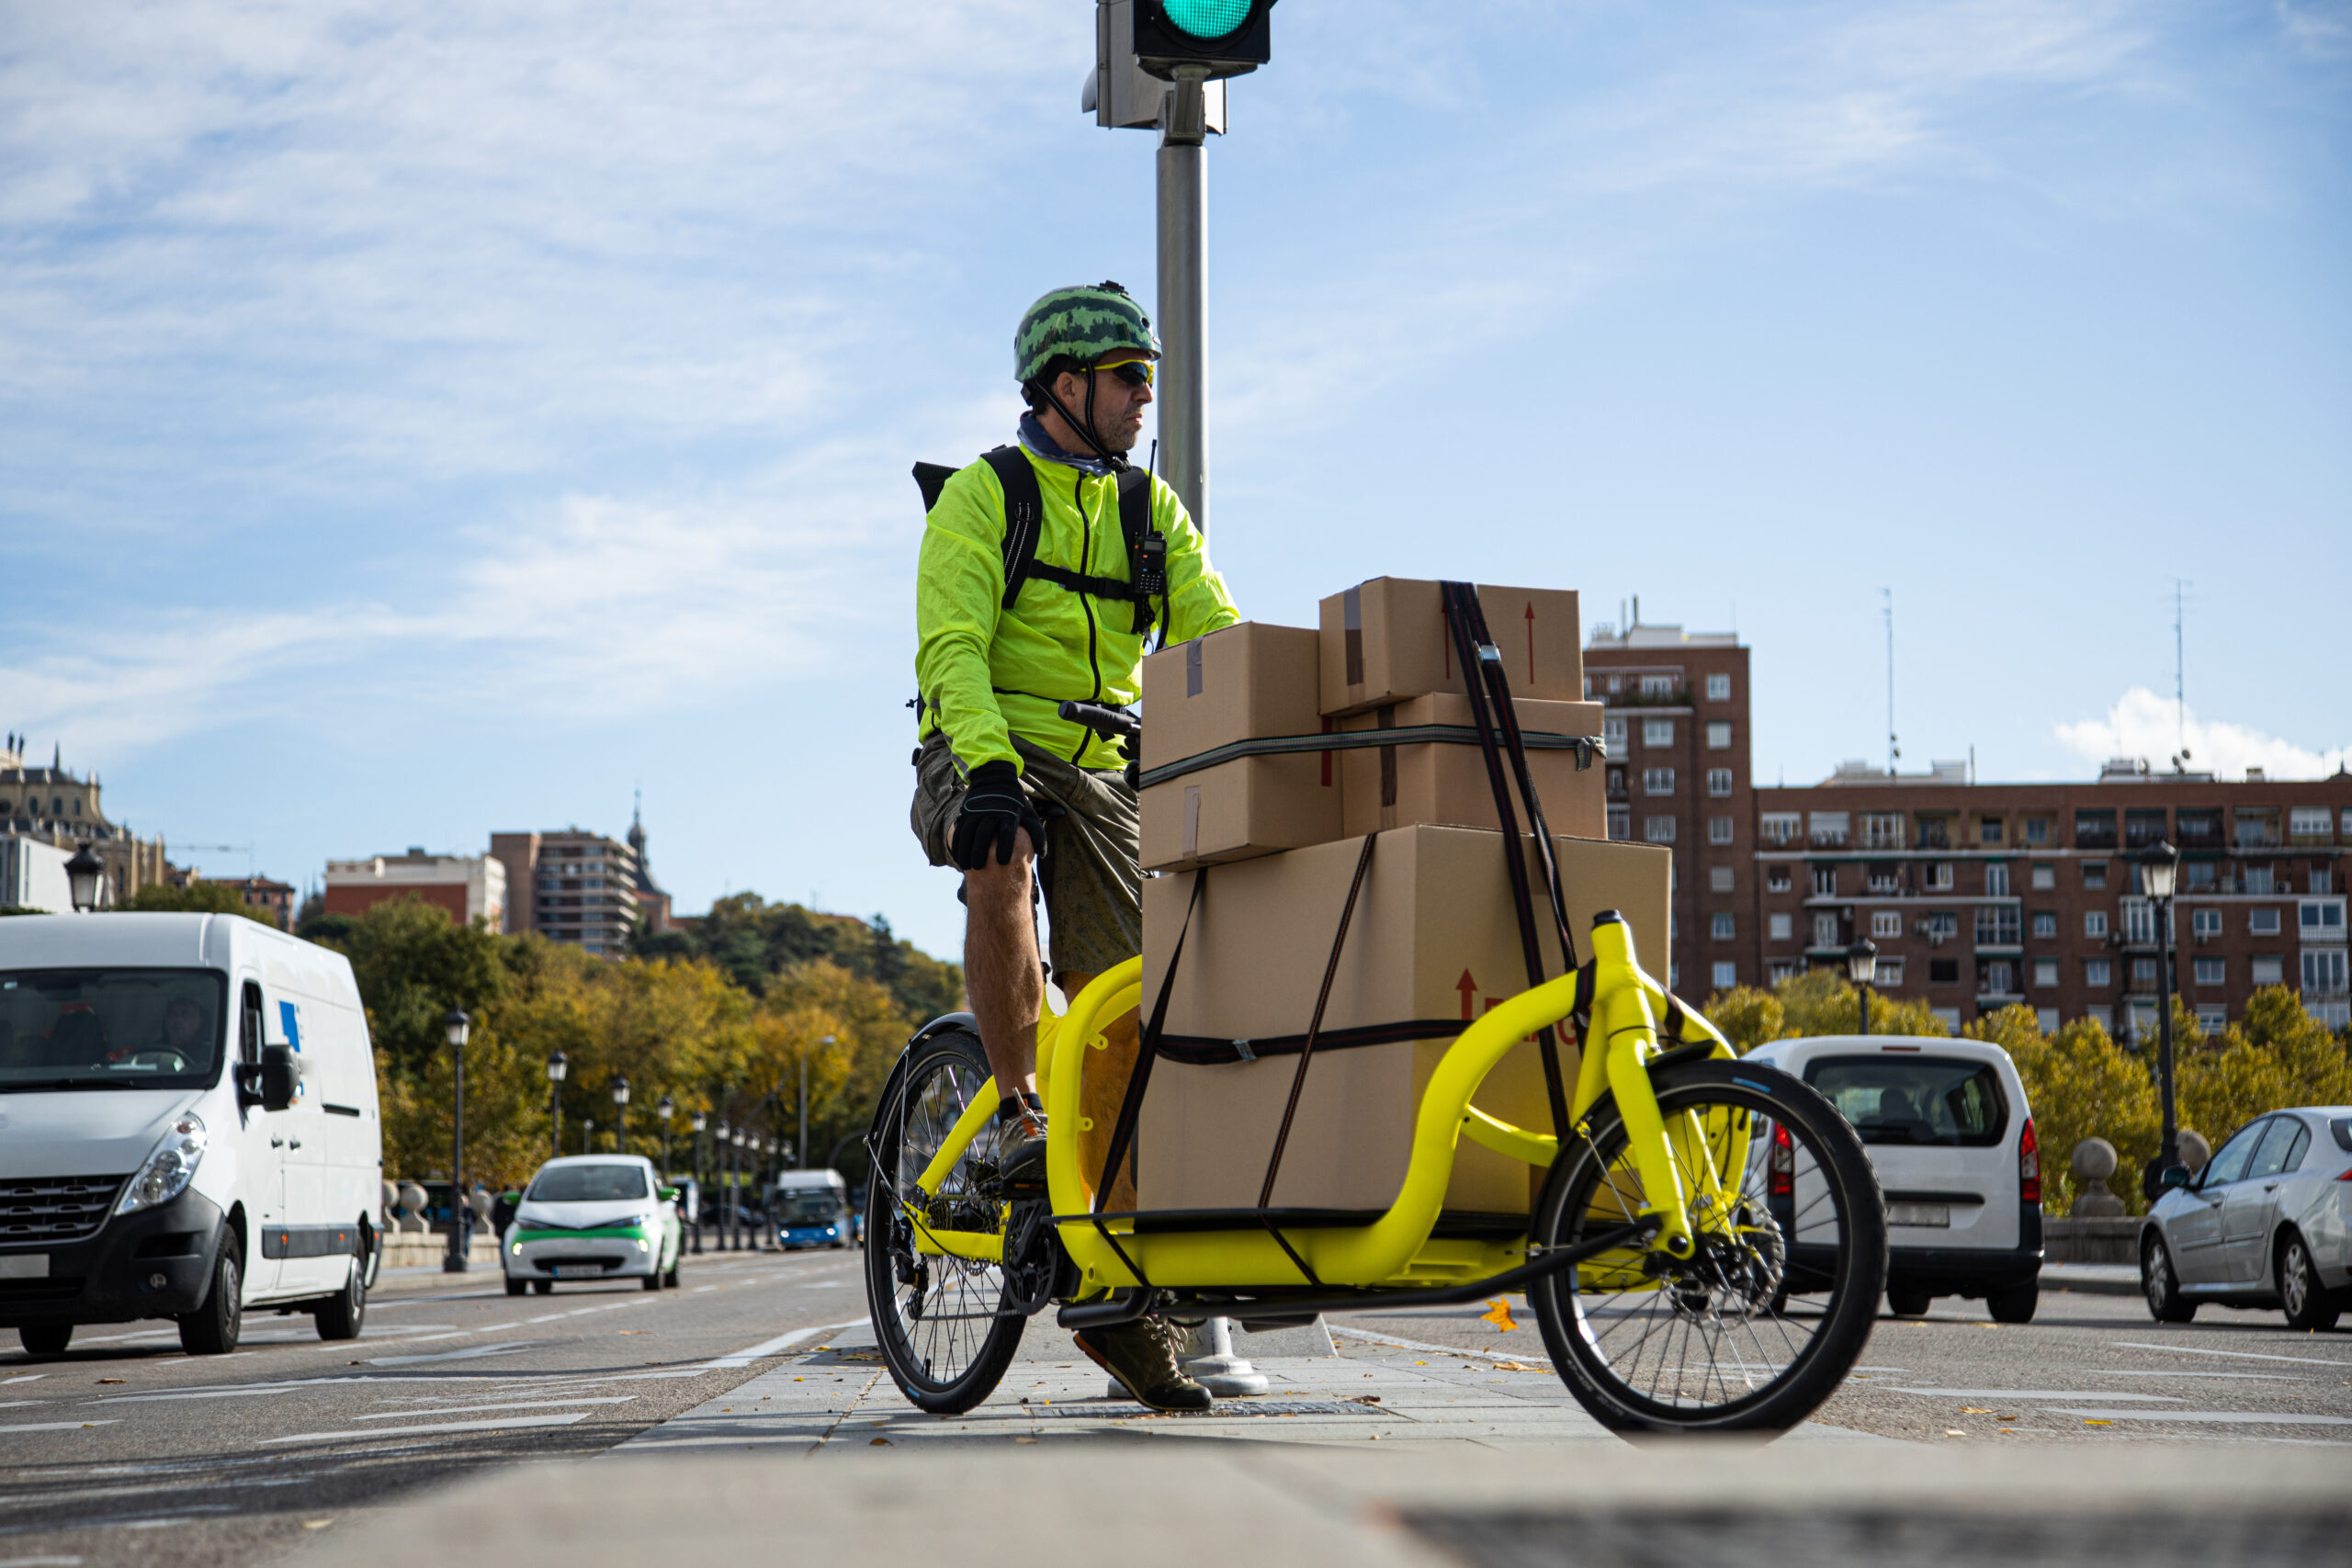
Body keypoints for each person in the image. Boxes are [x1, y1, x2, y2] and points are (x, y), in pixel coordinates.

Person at [911, 282, 1238, 1412]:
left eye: (1149, 378)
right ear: (1065, 386)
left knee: (1133, 1003)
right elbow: (951, 646)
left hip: (1103, 765)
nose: (1146, 397)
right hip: (981, 739)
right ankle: (1014, 1111)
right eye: (1127, 378)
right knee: (996, 855)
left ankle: (1114, 1300)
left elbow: (1215, 635)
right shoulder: (981, 496)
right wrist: (988, 767)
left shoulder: (1152, 511)